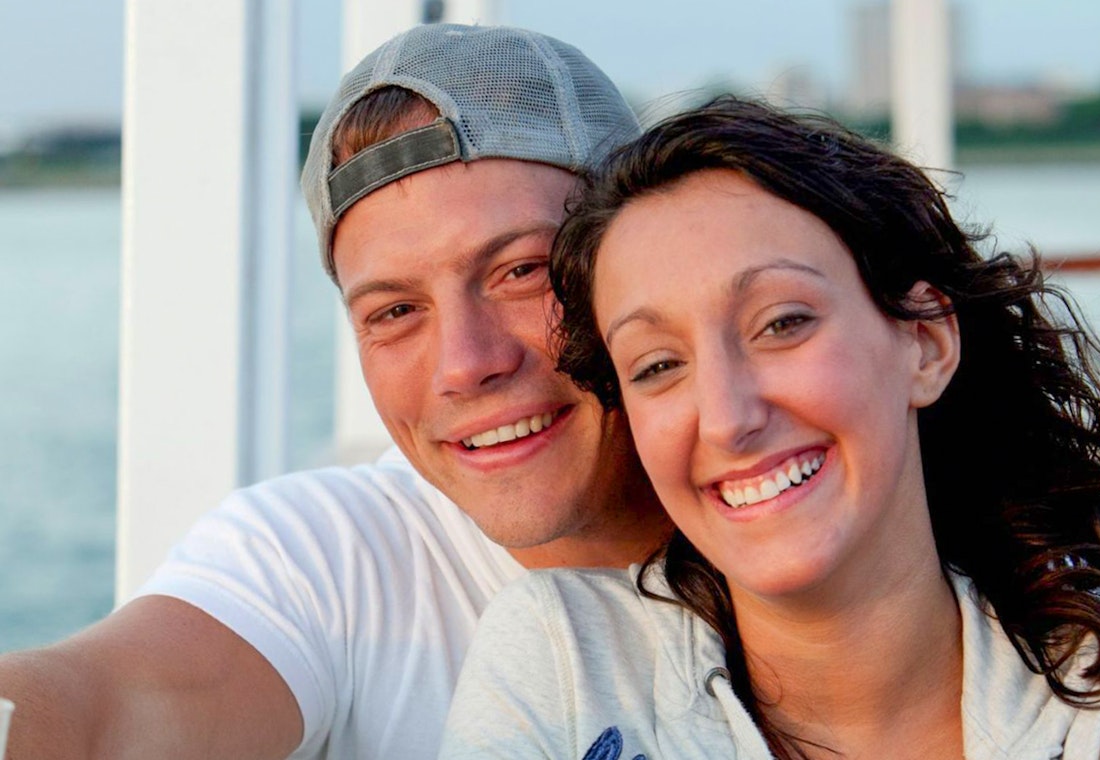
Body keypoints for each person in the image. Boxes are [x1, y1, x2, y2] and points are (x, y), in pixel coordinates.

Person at [438, 98, 1100, 759]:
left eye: (782, 323)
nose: (729, 418)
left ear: (925, 343)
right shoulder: (567, 666)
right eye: (658, 365)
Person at [0, 24, 671, 760]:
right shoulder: (331, 563)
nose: (464, 364)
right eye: (395, 311)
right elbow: (102, 708)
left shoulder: (766, 519)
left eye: (522, 271)